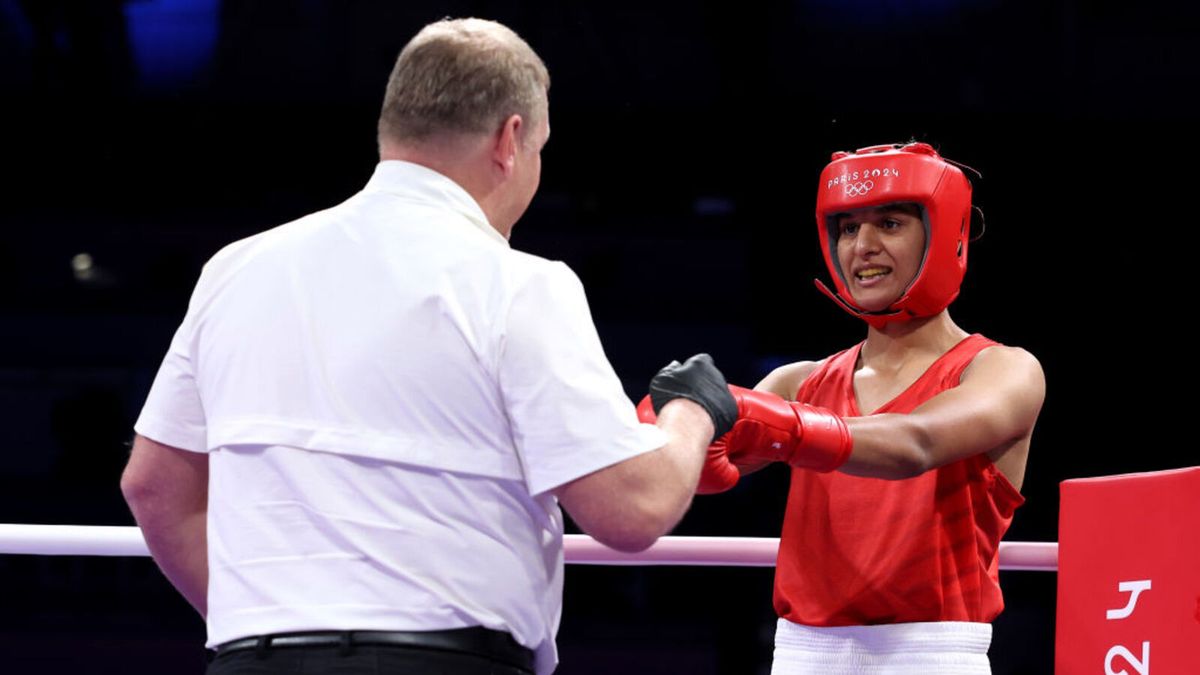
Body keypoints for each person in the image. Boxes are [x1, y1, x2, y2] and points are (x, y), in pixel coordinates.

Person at [120, 17, 738, 675]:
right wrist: (691, 412)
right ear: (511, 139)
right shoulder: (515, 282)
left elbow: (153, 487)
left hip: (253, 661)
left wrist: (272, 626)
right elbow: (631, 508)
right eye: (539, 150)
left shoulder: (236, 269)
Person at [692, 142, 1047, 674]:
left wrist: (780, 426)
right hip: (801, 654)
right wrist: (679, 421)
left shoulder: (1002, 370)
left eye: (890, 223)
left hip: (931, 653)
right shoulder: (799, 382)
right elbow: (694, 473)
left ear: (944, 233)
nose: (864, 247)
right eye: (848, 228)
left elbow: (915, 443)